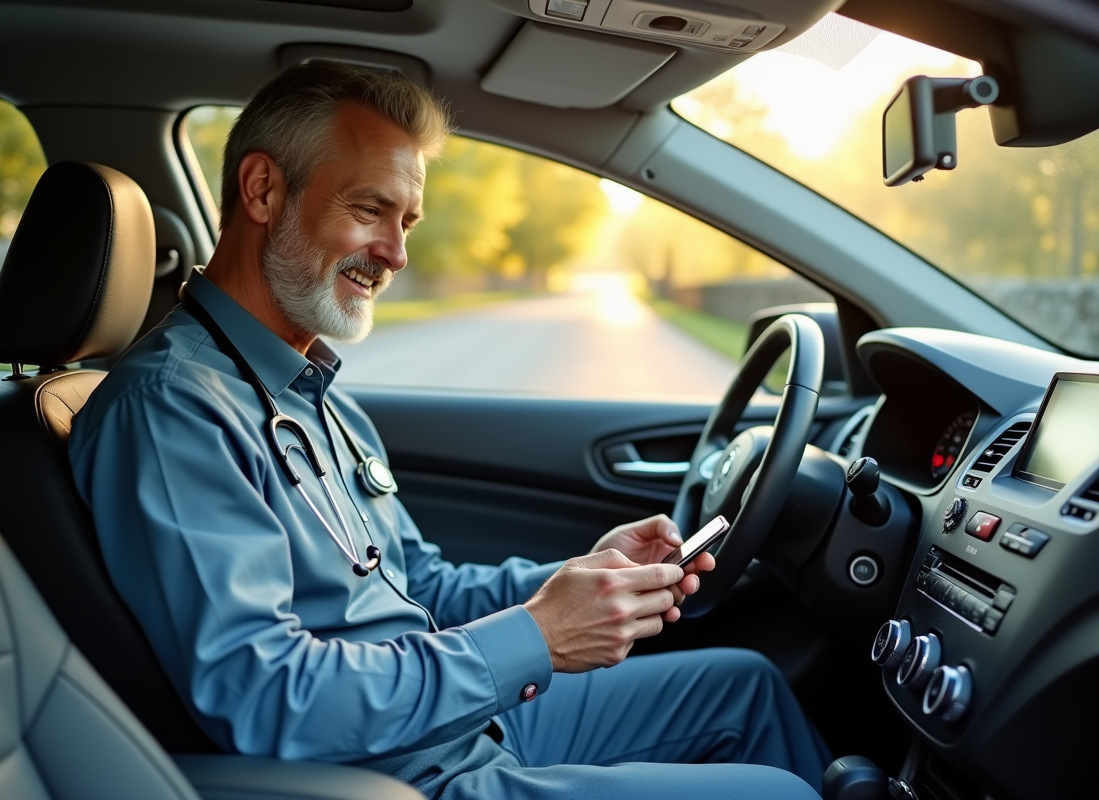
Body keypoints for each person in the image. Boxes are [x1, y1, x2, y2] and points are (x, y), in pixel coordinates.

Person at [69, 61, 831, 799]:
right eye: (369, 210)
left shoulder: (310, 391)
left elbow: (421, 587)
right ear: (264, 189)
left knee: (745, 687)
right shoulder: (174, 410)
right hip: (395, 775)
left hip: (453, 719)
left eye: (406, 222)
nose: (396, 254)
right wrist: (538, 639)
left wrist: (578, 584)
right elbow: (265, 696)